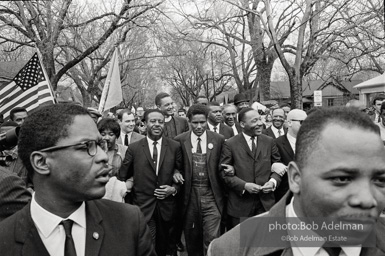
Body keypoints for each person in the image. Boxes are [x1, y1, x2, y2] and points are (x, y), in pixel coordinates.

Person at [208, 106, 385, 256]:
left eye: (379, 180)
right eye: (342, 179)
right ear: (295, 178)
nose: (368, 199)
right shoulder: (232, 248)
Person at [0, 104, 155, 256]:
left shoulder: (128, 222)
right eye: (86, 146)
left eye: (100, 145)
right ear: (41, 162)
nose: (102, 157)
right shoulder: (5, 240)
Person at [118, 109, 183, 256]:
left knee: (167, 247)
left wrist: (173, 189)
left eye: (160, 121)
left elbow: (181, 172)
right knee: (148, 246)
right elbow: (123, 175)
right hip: (143, 206)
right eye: (153, 121)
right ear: (145, 123)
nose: (157, 124)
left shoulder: (174, 146)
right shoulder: (134, 148)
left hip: (167, 207)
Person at [220, 107, 284, 230]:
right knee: (244, 246)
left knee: (266, 245)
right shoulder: (230, 144)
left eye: (260, 119)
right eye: (254, 121)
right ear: (242, 124)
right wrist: (244, 186)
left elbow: (278, 166)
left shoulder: (269, 141)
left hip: (266, 205)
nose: (260, 123)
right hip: (241, 206)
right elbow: (224, 174)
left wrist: (273, 182)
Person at [173, 104, 225, 256]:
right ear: (189, 122)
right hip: (190, 196)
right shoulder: (180, 140)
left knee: (212, 238)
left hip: (211, 195)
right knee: (192, 239)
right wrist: (175, 172)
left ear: (207, 121)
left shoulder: (219, 139)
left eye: (202, 122)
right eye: (195, 123)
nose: (199, 126)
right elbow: (175, 164)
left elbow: (225, 164)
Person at [274, 109, 307, 202]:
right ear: (289, 123)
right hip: (285, 195)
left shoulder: (311, 142)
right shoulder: (276, 143)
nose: (305, 125)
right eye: (302, 122)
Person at [97, 118, 128, 203]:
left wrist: (125, 186)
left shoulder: (125, 151)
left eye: (111, 134)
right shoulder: (94, 151)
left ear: (116, 136)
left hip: (119, 193)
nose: (106, 138)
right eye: (103, 134)